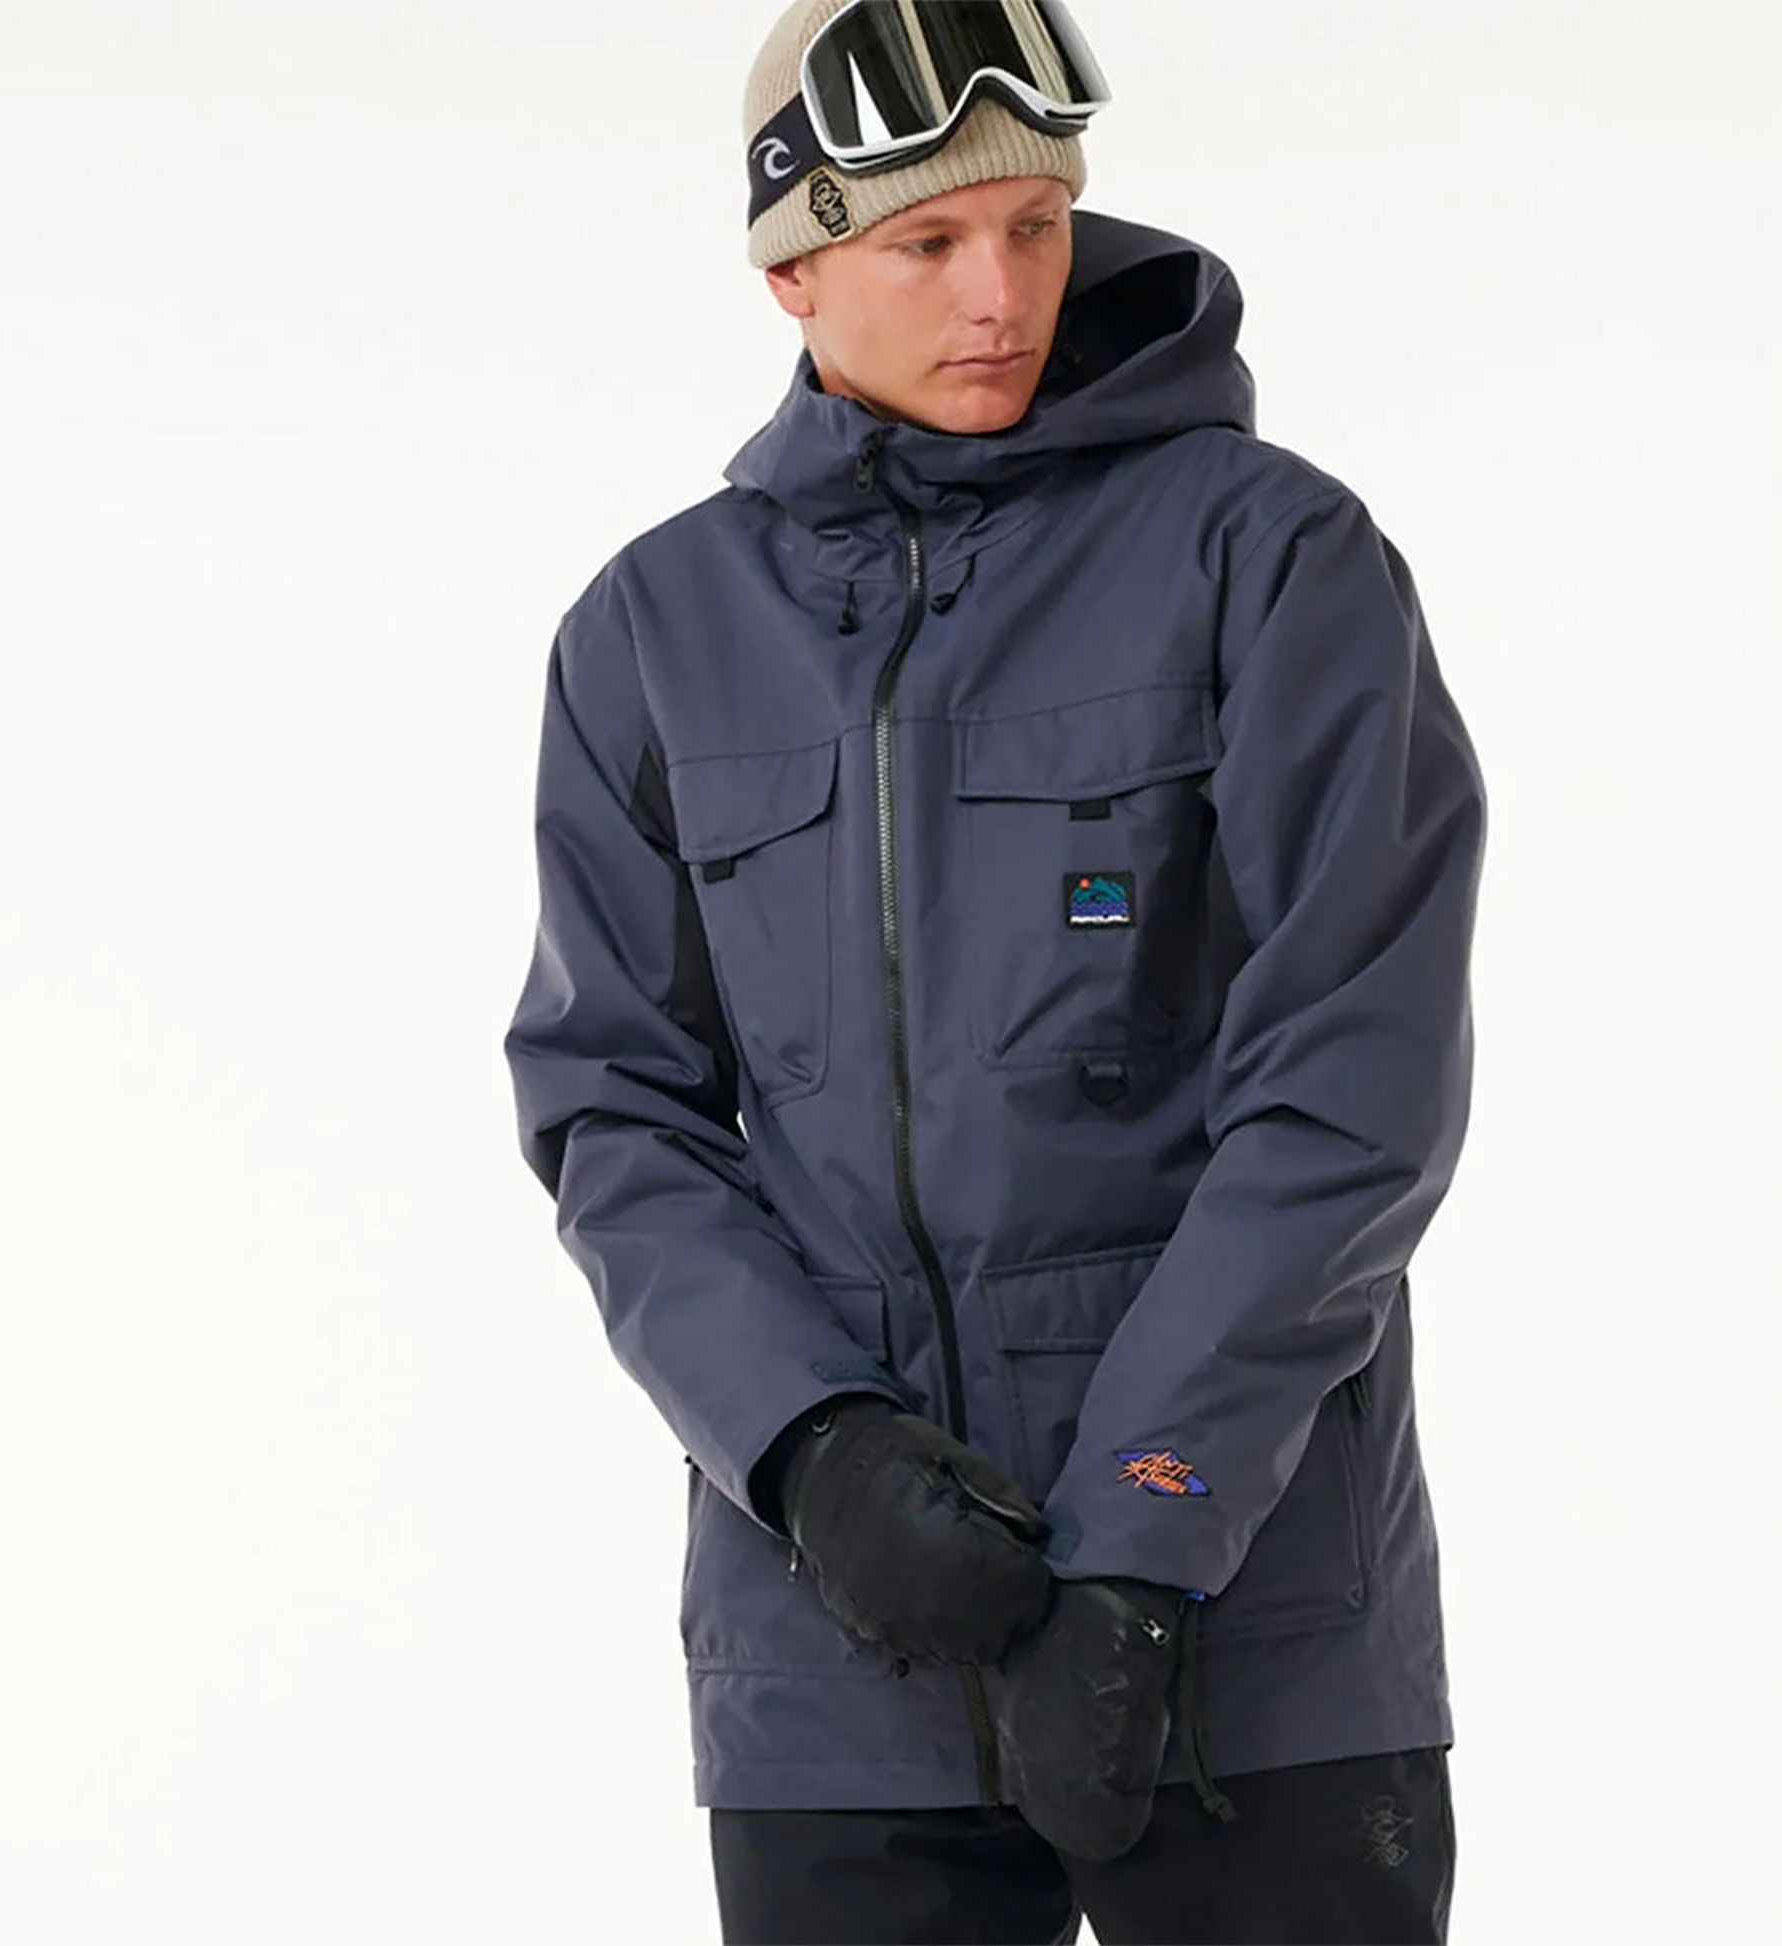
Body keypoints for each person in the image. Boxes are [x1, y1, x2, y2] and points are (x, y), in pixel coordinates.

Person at [502, 2, 1485, 1939]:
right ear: (789, 273)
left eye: (1036, 224)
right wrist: (812, 1453)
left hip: (1249, 1633)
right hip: (834, 1655)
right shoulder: (650, 632)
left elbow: (1348, 1089)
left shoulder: (1269, 559)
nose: (1001, 292)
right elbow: (613, 1107)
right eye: (927, 242)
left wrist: (1142, 1530)